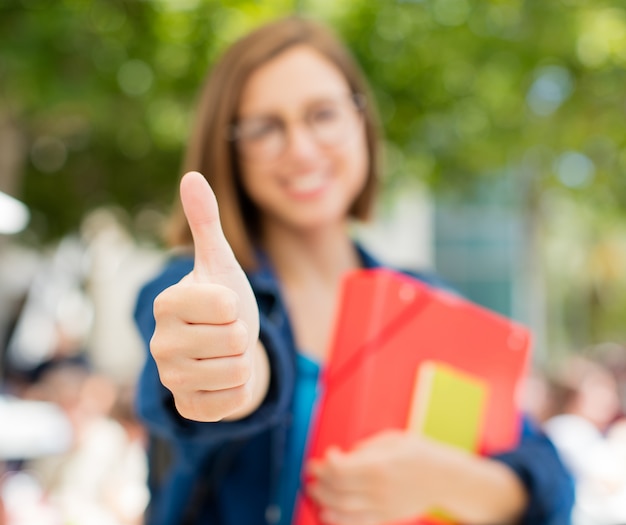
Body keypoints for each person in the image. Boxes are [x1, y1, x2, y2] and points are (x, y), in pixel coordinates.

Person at [133, 15, 574, 525]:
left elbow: (550, 483)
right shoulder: (189, 291)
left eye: (323, 115)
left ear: (362, 121)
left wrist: (447, 482)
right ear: (229, 150)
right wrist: (231, 371)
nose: (300, 149)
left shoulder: (427, 301)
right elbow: (225, 375)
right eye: (265, 128)